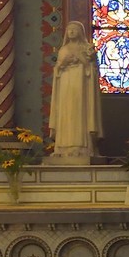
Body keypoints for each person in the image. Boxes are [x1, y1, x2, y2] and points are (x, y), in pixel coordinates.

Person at [48, 21, 101, 162]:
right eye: (69, 29)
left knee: (80, 113)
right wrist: (63, 64)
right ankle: (62, 147)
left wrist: (81, 59)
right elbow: (57, 70)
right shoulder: (63, 50)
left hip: (82, 86)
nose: (71, 32)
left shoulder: (86, 48)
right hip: (65, 85)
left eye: (74, 29)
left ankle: (83, 147)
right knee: (65, 114)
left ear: (80, 32)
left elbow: (92, 70)